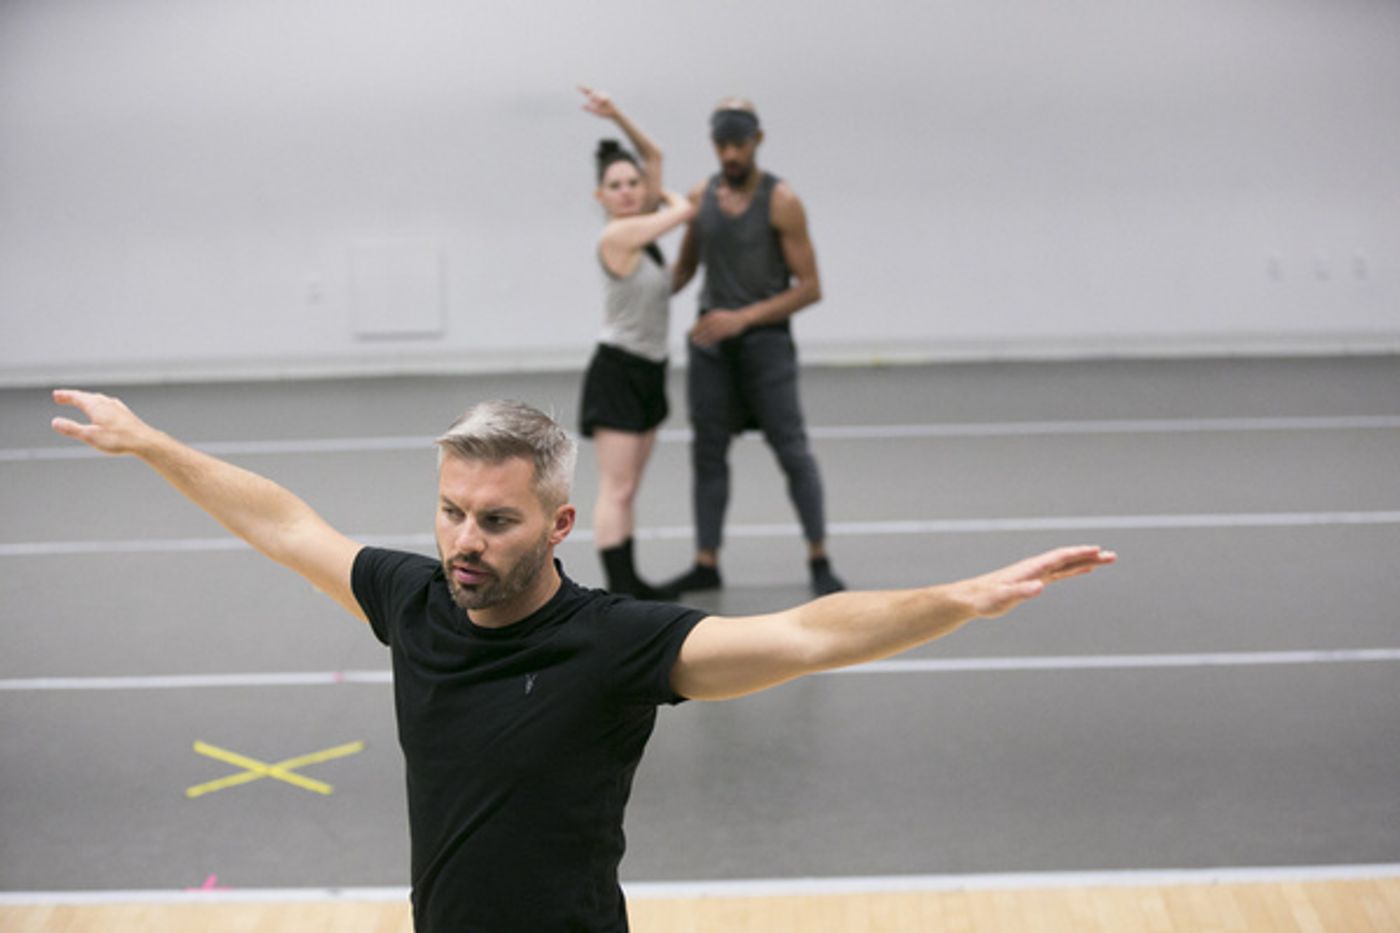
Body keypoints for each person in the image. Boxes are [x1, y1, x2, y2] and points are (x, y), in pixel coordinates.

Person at [50, 388, 1115, 933]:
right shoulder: (410, 598)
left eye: (497, 521)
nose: (464, 541)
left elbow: (806, 635)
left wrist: (967, 597)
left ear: (560, 523)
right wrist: (152, 445)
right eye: (450, 512)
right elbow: (286, 525)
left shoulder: (615, 646)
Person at [666, 97, 844, 597]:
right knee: (707, 453)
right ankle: (706, 561)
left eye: (738, 144)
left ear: (756, 141)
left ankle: (819, 557)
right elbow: (683, 270)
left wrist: (741, 319)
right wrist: (639, 292)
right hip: (711, 349)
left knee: (792, 451)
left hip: (764, 346)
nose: (730, 154)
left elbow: (810, 286)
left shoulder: (781, 201)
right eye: (722, 144)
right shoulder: (701, 196)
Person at [577, 86, 695, 599]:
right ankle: (619, 589)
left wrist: (617, 114)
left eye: (632, 184)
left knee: (631, 490)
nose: (626, 190)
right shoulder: (616, 238)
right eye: (615, 186)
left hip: (651, 368)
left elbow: (656, 157)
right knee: (617, 487)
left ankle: (632, 583)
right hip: (618, 371)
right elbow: (685, 210)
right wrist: (668, 199)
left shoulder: (642, 237)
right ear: (600, 197)